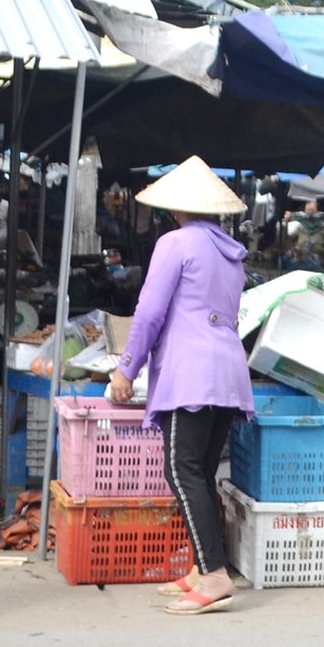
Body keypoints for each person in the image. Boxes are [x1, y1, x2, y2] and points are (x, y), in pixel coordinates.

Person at [109, 157, 254, 616]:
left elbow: (149, 312)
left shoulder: (175, 243)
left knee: (180, 469)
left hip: (191, 374)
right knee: (201, 471)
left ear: (174, 209)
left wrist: (125, 369)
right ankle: (200, 567)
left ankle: (213, 574)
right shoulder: (230, 252)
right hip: (228, 372)